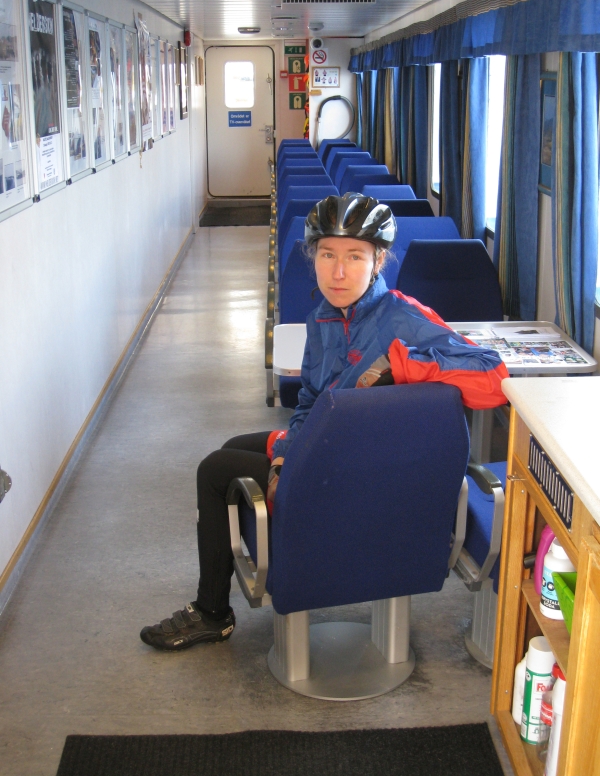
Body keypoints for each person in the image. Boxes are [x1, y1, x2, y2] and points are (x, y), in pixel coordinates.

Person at [140, 192, 509, 651]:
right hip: (331, 449)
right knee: (235, 446)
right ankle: (254, 560)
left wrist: (403, 364)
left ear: (378, 261)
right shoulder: (322, 317)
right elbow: (312, 400)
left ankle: (213, 611)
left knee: (214, 470)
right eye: (327, 254)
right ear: (312, 257)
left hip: (364, 472)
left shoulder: (402, 316)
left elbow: (493, 377)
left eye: (354, 256)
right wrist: (283, 457)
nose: (338, 272)